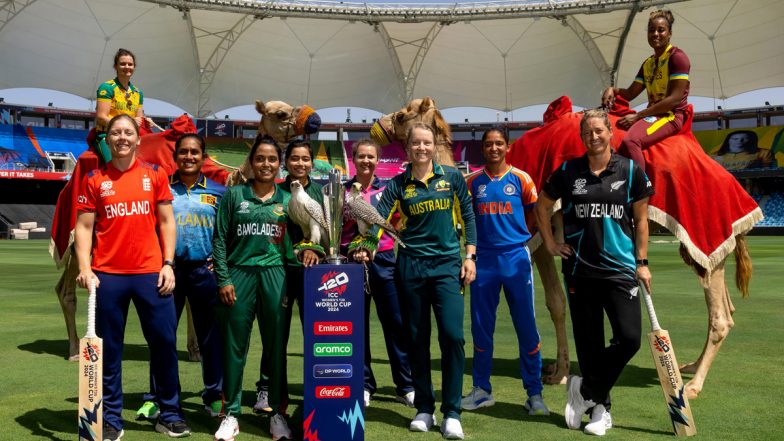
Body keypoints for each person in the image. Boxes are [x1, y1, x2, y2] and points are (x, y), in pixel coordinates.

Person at [353, 123, 476, 440]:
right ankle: (424, 407)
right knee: (416, 340)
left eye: (427, 143)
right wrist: (367, 246)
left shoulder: (451, 178)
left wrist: (470, 256)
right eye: (416, 143)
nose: (422, 148)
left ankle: (452, 412)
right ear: (407, 149)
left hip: (447, 266)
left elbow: (468, 214)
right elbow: (379, 217)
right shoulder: (398, 184)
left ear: (434, 146)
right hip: (409, 267)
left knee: (452, 337)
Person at [535, 108, 654, 436]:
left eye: (599, 131)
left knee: (629, 339)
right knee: (589, 345)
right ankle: (601, 412)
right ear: (582, 137)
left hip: (620, 269)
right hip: (579, 270)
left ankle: (583, 390)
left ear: (610, 133)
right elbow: (541, 206)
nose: (594, 136)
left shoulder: (630, 171)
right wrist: (549, 243)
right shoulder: (568, 171)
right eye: (587, 132)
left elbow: (641, 220)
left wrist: (642, 263)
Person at [74, 114, 189, 440]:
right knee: (109, 350)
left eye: (128, 132)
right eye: (116, 133)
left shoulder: (155, 175)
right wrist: (85, 268)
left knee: (165, 345)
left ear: (139, 139)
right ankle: (110, 419)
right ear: (107, 140)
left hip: (152, 274)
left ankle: (169, 414)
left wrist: (168, 263)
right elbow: (83, 227)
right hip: (107, 277)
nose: (122, 137)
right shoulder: (95, 179)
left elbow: (167, 222)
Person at [136, 134, 225, 421]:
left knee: (210, 338)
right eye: (183, 152)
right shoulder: (161, 188)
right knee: (162, 337)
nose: (189, 156)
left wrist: (220, 262)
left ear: (203, 156)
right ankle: (155, 397)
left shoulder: (218, 191)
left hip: (204, 271)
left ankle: (213, 394)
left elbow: (227, 234)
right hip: (168, 271)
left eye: (195, 152)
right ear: (175, 157)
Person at [462, 128, 549, 415]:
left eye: (499, 143)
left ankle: (534, 394)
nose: (494, 148)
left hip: (515, 258)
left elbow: (536, 214)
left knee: (526, 326)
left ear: (507, 147)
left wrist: (524, 240)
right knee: (481, 329)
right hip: (483, 261)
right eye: (489, 144)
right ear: (483, 149)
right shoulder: (473, 182)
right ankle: (481, 390)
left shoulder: (522, 179)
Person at [211, 135, 293, 441]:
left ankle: (277, 414)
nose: (266, 164)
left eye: (272, 159)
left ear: (279, 163)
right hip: (239, 275)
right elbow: (219, 239)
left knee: (276, 348)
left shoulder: (287, 199)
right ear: (251, 162)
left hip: (276, 275)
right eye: (260, 158)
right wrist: (224, 278)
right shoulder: (234, 195)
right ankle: (230, 413)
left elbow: (300, 242)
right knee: (234, 348)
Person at [340, 138, 415, 408]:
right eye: (361, 156)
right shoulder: (342, 192)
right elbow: (336, 228)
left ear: (377, 160)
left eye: (371, 157)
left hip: (383, 259)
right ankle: (364, 384)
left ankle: (405, 385)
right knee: (357, 326)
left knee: (395, 323)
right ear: (354, 159)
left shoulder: (388, 190)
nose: (366, 161)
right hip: (352, 261)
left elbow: (399, 223)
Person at [254, 140, 323, 414]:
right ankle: (266, 390)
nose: (300, 164)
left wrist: (314, 249)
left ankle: (317, 391)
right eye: (295, 159)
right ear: (287, 162)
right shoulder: (276, 190)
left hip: (311, 273)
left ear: (311, 163)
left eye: (305, 159)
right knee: (275, 335)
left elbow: (326, 233)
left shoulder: (320, 191)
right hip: (279, 271)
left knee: (315, 334)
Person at [601, 9, 690, 173]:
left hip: (670, 116)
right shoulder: (648, 63)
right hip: (653, 115)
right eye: (651, 30)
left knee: (631, 141)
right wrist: (612, 89)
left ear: (669, 33)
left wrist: (637, 116)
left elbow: (675, 99)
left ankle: (641, 192)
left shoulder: (677, 57)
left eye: (661, 30)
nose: (655, 34)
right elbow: (630, 93)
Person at [94, 48, 145, 163]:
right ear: (115, 66)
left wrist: (143, 120)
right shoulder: (107, 87)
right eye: (122, 64)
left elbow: (139, 119)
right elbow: (101, 117)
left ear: (134, 67)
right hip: (108, 136)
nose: (127, 67)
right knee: (115, 165)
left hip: (129, 139)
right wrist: (126, 126)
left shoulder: (138, 93)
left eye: (130, 64)